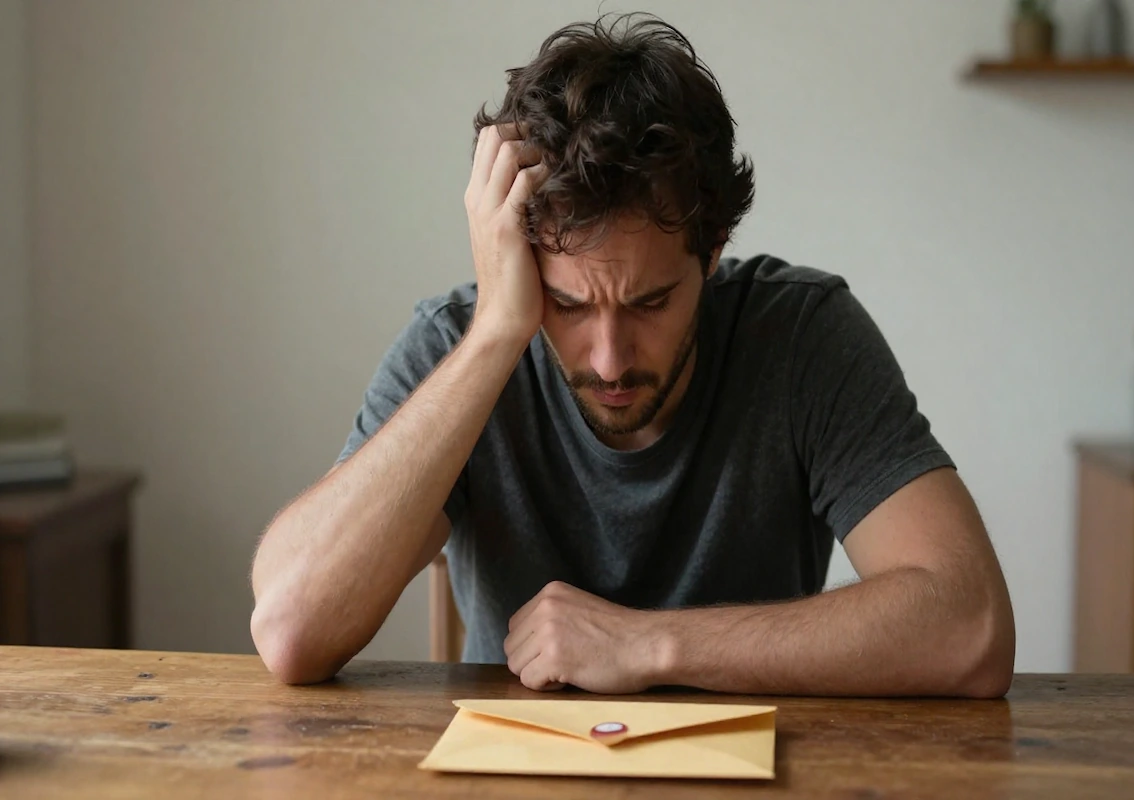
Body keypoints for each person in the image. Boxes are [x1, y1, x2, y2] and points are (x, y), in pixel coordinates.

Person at [249, 13, 1016, 697]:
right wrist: (496, 334)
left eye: (650, 303)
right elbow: (290, 629)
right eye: (570, 305)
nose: (610, 360)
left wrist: (648, 644)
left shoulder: (803, 337)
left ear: (712, 252)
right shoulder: (460, 343)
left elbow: (970, 626)